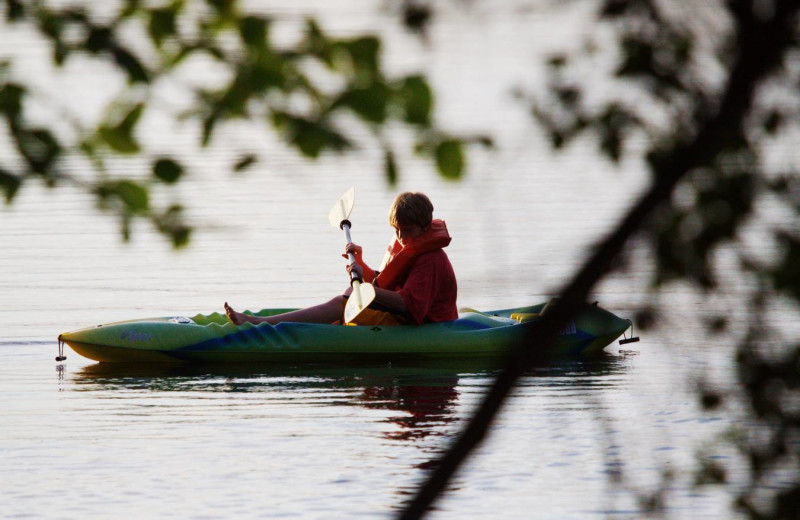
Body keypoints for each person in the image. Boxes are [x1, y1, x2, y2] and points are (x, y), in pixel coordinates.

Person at [224, 192, 458, 326]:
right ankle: (291, 323)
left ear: (426, 226)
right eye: (397, 230)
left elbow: (408, 304)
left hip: (428, 326)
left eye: (407, 230)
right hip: (406, 320)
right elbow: (386, 283)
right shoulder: (410, 245)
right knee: (347, 302)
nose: (401, 236)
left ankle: (258, 323)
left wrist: (368, 293)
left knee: (343, 303)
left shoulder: (431, 259)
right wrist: (364, 269)